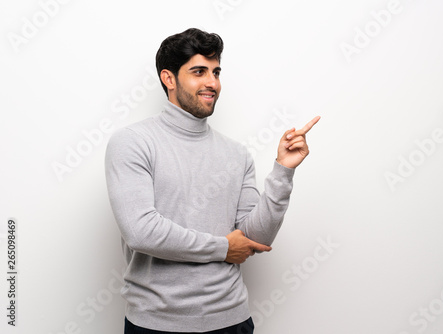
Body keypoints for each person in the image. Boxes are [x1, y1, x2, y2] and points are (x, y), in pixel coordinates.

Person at [105, 28, 320, 334]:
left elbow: (256, 236)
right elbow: (141, 231)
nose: (212, 83)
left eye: (216, 72)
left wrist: (283, 170)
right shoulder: (133, 142)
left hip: (232, 321)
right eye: (199, 71)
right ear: (169, 79)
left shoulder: (236, 153)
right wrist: (222, 248)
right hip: (157, 324)